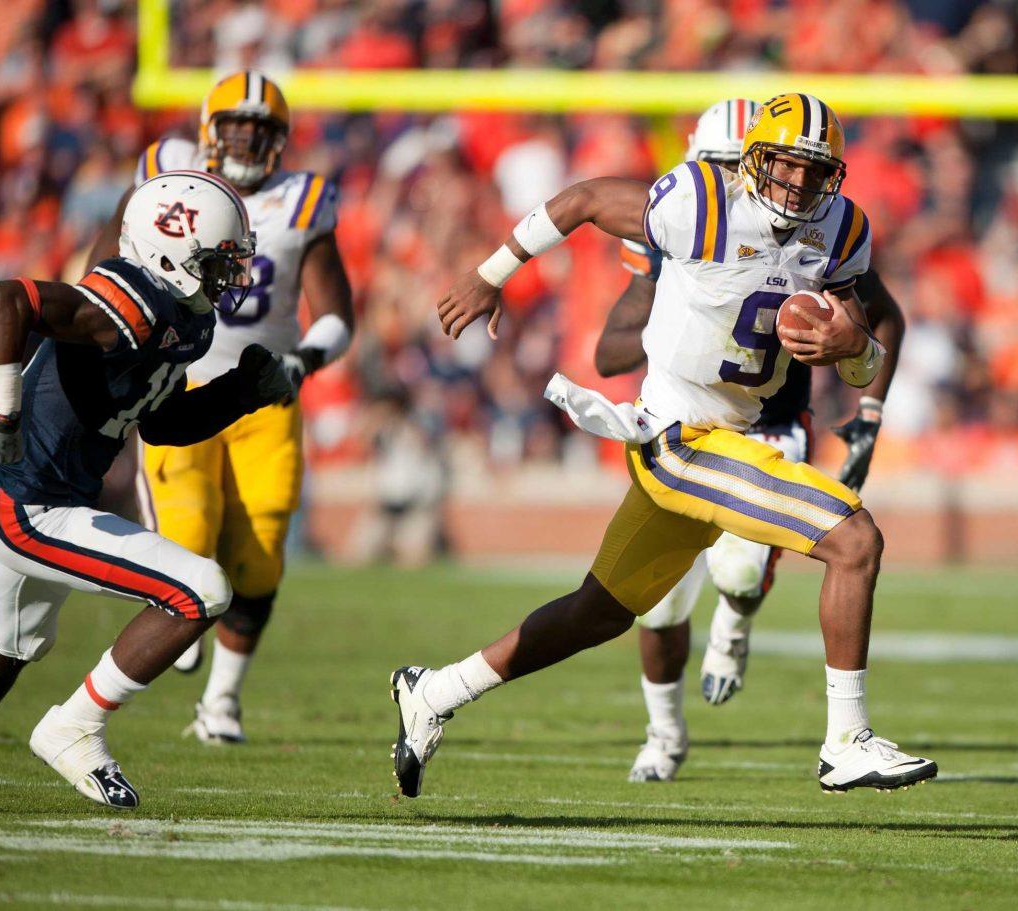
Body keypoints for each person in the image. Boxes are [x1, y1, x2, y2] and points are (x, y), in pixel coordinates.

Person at [394, 93, 937, 797]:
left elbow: (865, 348)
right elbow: (585, 198)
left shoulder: (839, 229)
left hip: (731, 437)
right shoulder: (701, 201)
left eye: (815, 170)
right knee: (854, 539)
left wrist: (853, 347)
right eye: (784, 165)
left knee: (599, 612)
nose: (798, 184)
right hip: (682, 438)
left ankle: (433, 691)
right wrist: (489, 274)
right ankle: (846, 741)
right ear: (754, 158)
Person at [595, 100, 906, 782]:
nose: (732, 189)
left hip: (772, 423)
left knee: (744, 570)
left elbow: (882, 317)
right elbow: (606, 354)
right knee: (658, 601)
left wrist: (866, 392)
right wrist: (686, 322)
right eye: (718, 170)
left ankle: (735, 628)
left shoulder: (822, 233)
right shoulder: (681, 225)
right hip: (689, 429)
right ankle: (664, 730)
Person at [0, 171, 292, 807]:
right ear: (169, 254)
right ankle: (74, 727)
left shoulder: (188, 318)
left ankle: (70, 725)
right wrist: (4, 415)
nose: (230, 276)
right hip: (31, 503)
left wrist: (239, 394)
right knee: (201, 589)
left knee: (10, 646)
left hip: (59, 496)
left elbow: (160, 425)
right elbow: (3, 301)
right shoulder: (129, 300)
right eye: (216, 262)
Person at [90, 71, 355, 744]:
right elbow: (108, 260)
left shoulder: (302, 201)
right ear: (207, 131)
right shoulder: (166, 175)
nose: (247, 140)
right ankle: (174, 623)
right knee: (190, 533)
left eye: (262, 130)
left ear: (282, 141)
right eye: (236, 126)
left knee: (261, 555)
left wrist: (303, 361)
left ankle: (222, 702)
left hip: (263, 393)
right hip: (178, 382)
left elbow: (336, 314)